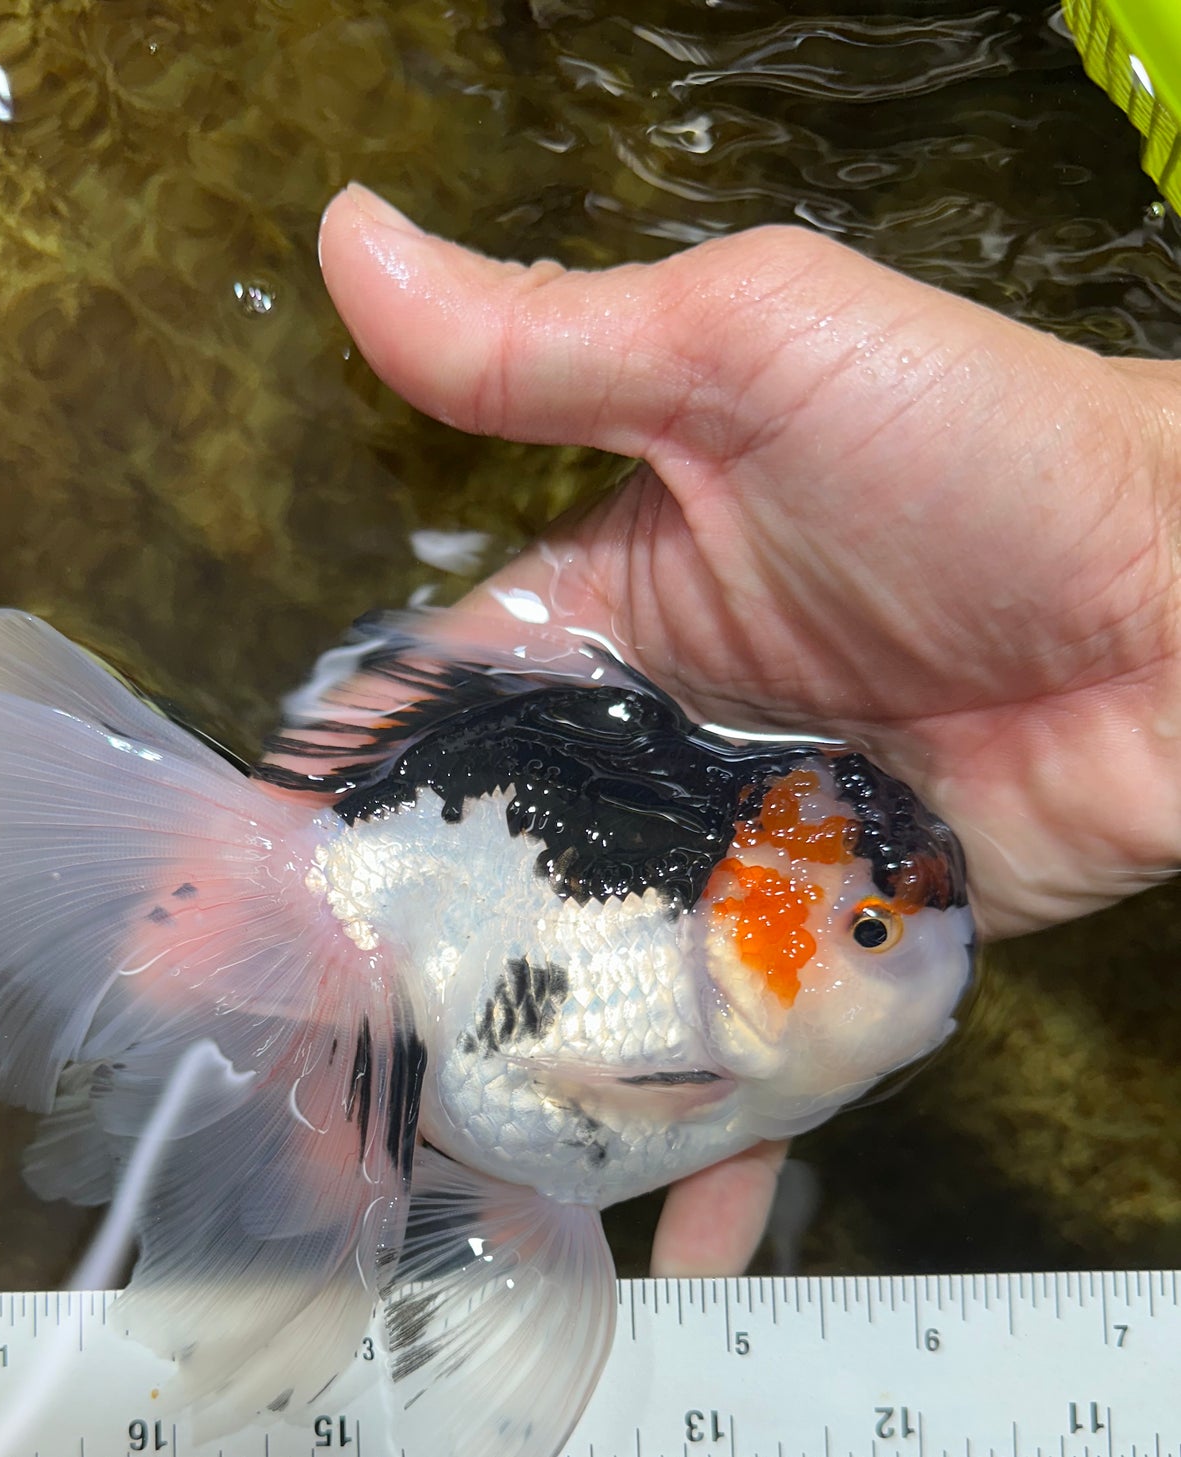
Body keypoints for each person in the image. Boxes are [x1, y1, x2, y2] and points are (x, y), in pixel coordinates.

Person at [317, 183, 1181, 1275]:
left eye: (870, 935)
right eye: (865, 934)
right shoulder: (716, 1027)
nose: (930, 966)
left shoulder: (733, 1026)